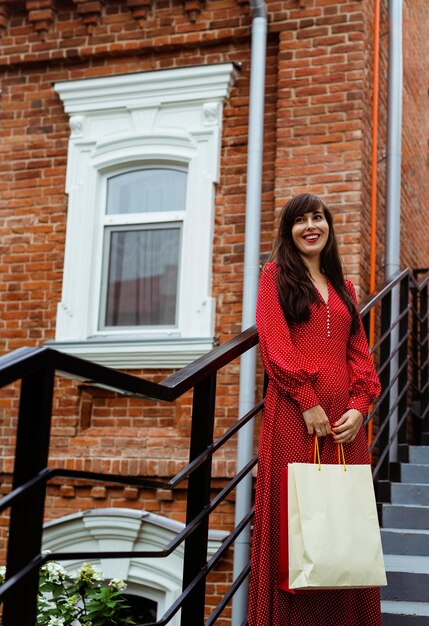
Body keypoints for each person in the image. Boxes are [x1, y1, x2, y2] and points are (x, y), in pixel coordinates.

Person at [248, 193, 382, 626]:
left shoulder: (344, 287)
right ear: (289, 230)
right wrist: (307, 401)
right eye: (301, 220)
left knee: (344, 523)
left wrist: (361, 406)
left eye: (318, 218)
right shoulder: (274, 276)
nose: (311, 226)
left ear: (328, 227)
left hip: (346, 426)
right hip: (293, 418)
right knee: (297, 525)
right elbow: (275, 344)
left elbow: (358, 352)